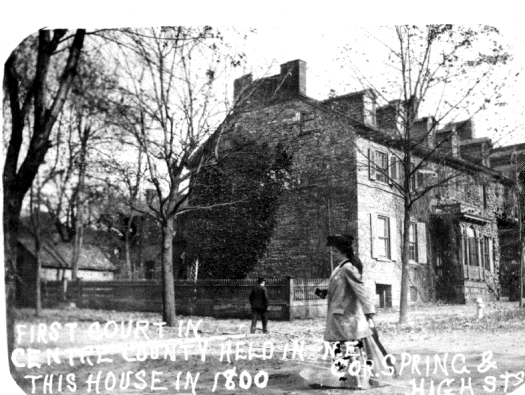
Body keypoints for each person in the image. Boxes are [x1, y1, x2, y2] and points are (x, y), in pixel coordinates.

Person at [324, 234, 393, 388]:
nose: (333, 254)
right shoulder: (339, 268)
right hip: (339, 316)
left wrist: (369, 314)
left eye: (335, 251)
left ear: (343, 252)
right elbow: (335, 290)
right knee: (344, 348)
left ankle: (358, 381)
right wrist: (321, 293)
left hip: (347, 316)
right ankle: (346, 380)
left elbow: (361, 290)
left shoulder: (348, 268)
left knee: (351, 348)